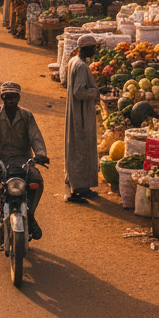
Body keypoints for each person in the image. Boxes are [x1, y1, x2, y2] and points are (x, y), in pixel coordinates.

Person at [0, 82, 48, 239]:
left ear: (19, 98)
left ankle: (30, 214)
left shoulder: (27, 116)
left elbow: (36, 138)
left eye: (14, 97)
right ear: (2, 98)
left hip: (23, 160)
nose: (10, 100)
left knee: (36, 180)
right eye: (7, 97)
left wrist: (41, 154)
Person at [64, 35, 100, 203]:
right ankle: (80, 188)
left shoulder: (73, 62)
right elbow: (78, 92)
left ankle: (77, 185)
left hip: (75, 111)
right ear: (87, 48)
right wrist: (95, 92)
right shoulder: (82, 66)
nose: (95, 50)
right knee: (82, 148)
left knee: (76, 148)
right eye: (93, 47)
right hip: (81, 113)